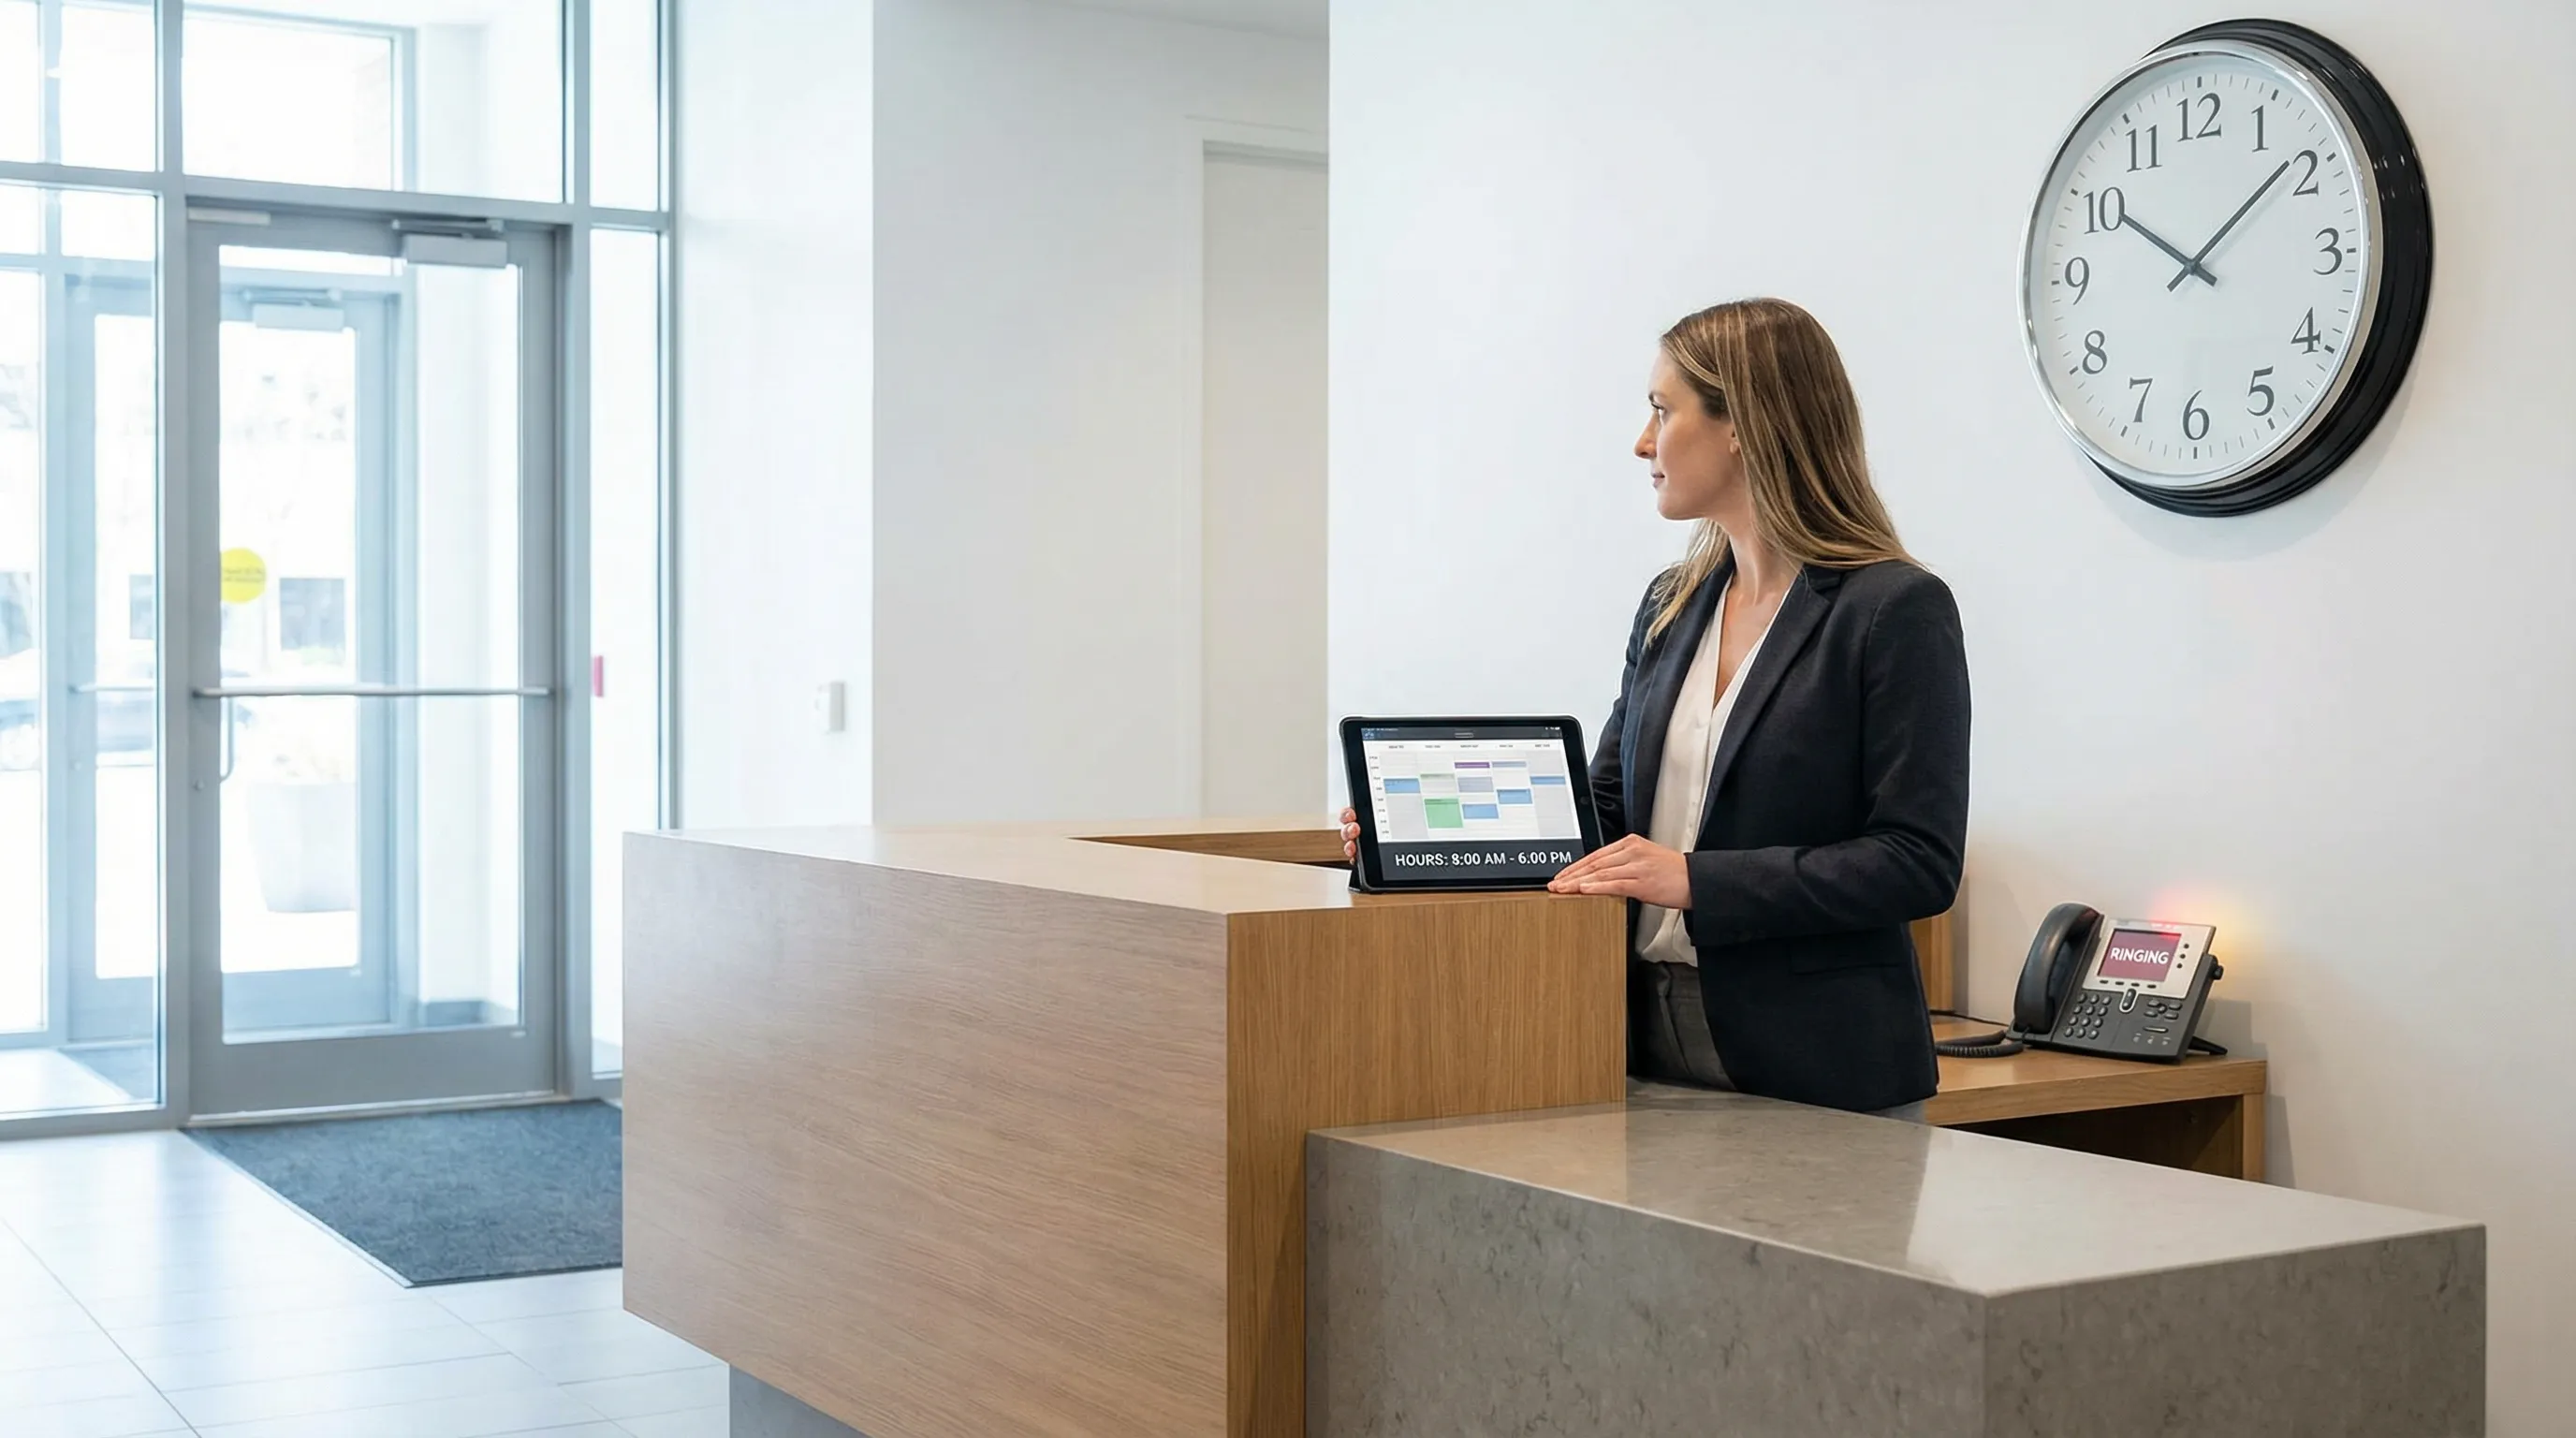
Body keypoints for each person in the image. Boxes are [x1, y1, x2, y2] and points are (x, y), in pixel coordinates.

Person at [1341, 298, 1968, 1117]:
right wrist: (1422, 837)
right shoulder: (1672, 604)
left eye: (1662, 411)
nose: (1643, 441)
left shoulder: (1893, 610)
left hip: (1820, 1066)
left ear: (1741, 423)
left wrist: (1698, 881)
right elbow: (1605, 813)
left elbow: (1916, 860)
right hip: (1633, 1045)